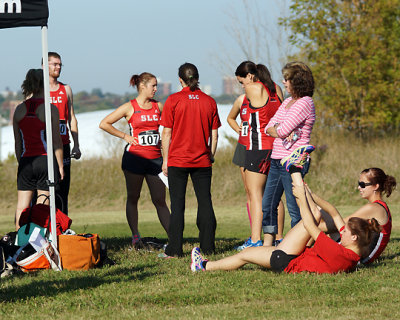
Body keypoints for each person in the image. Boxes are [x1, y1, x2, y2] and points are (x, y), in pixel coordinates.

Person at [190, 154, 380, 274]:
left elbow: (310, 226)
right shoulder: (353, 256)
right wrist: (309, 195)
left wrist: (301, 197)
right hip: (295, 253)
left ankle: (203, 266)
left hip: (287, 259)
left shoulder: (339, 253)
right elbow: (335, 214)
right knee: (315, 212)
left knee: (246, 254)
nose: (341, 233)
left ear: (354, 237)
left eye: (345, 232)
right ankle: (294, 168)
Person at [99, 72, 170, 248]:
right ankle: (136, 236)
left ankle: (174, 237)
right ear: (142, 86)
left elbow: (171, 126)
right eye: (153, 85)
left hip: (155, 161)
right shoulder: (129, 107)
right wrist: (125, 136)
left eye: (156, 85)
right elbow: (104, 123)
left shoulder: (158, 106)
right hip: (134, 159)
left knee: (160, 200)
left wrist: (163, 142)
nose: (156, 88)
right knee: (133, 197)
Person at [160, 62, 221, 257]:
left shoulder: (173, 100)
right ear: (197, 77)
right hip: (202, 161)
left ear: (180, 80)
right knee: (205, 202)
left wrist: (165, 160)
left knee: (177, 205)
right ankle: (208, 247)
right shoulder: (209, 101)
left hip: (177, 160)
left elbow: (166, 134)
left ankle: (175, 249)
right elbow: (215, 135)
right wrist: (210, 155)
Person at [262, 61, 316, 246]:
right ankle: (267, 246)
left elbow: (282, 130)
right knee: (268, 204)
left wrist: (278, 129)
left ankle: (297, 247)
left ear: (297, 81)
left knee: (295, 208)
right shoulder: (286, 102)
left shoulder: (305, 103)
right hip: (276, 159)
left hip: (293, 162)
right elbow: (269, 126)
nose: (283, 82)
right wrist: (277, 128)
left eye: (287, 79)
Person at [233, 62, 282, 250]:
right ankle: (278, 238)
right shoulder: (275, 88)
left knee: (256, 196)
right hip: (275, 148)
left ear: (251, 76)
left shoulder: (252, 89)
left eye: (242, 82)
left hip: (257, 148)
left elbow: (245, 105)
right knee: (275, 197)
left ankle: (255, 239)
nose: (243, 86)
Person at [13, 69, 64, 229]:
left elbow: (17, 143)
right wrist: (60, 166)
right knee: (41, 208)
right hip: (45, 160)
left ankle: (18, 245)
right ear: (45, 84)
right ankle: (39, 245)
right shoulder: (50, 109)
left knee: (22, 207)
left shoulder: (19, 109)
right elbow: (56, 142)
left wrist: (22, 163)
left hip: (26, 161)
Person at [318, 167, 396, 264]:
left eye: (362, 184)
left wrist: (313, 228)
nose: (359, 187)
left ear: (375, 186)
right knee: (318, 211)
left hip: (359, 260)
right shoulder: (380, 206)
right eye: (359, 184)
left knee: (315, 214)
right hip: (361, 255)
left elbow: (339, 226)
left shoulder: (373, 208)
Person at [45, 52, 81, 215]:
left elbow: (72, 118)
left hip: (64, 145)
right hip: (44, 147)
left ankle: (62, 226)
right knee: (44, 189)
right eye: (54, 64)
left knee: (63, 186)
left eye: (60, 64)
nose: (58, 67)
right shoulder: (39, 90)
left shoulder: (65, 89)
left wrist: (76, 145)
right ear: (45, 65)